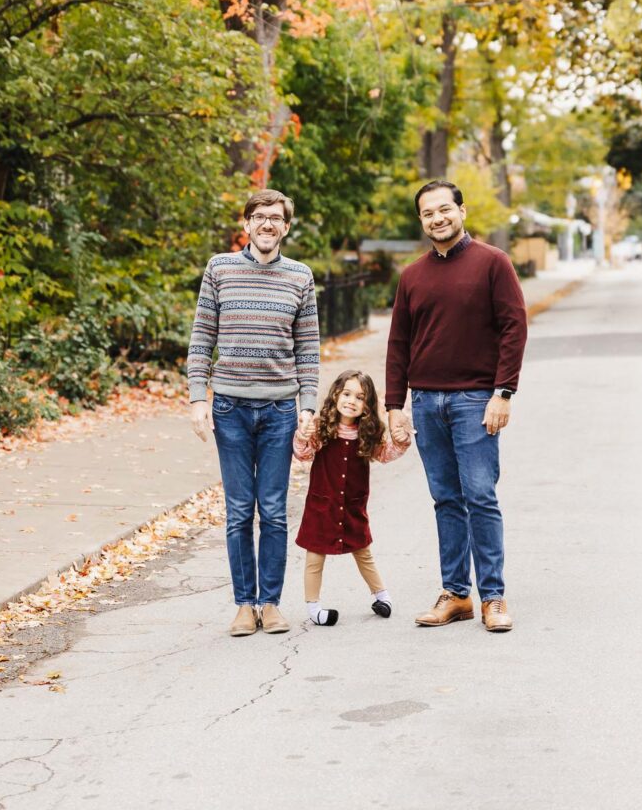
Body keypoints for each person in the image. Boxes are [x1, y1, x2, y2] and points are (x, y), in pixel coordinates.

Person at [385, 180, 527, 633]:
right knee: (446, 499)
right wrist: (394, 405)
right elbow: (399, 343)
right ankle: (456, 594)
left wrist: (503, 392)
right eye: (428, 213)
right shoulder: (412, 276)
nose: (437, 218)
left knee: (480, 497)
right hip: (426, 402)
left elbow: (514, 327)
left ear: (461, 211)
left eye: (444, 209)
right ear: (421, 220)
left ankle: (493, 596)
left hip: (475, 401)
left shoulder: (493, 262)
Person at [188, 189, 320, 637]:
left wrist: (307, 406)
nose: (267, 224)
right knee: (240, 511)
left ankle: (271, 603)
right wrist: (197, 398)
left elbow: (308, 348)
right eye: (259, 216)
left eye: (276, 218)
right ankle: (245, 604)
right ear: (247, 224)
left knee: (275, 511)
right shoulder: (219, 268)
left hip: (281, 409)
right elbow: (202, 337)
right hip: (230, 408)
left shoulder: (300, 276)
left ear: (286, 227)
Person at [293, 370, 411, 625]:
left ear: (367, 405)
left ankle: (382, 596)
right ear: (336, 394)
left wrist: (401, 442)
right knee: (315, 557)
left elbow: (385, 454)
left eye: (360, 397)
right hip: (322, 506)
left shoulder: (367, 434)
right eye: (347, 394)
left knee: (363, 552)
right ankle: (314, 608)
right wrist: (302, 434)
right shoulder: (322, 429)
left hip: (352, 506)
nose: (351, 401)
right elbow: (302, 454)